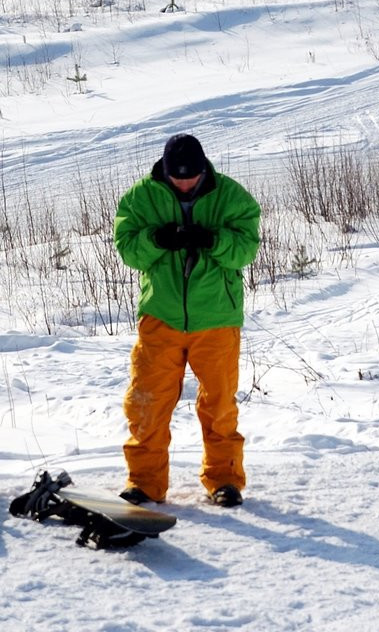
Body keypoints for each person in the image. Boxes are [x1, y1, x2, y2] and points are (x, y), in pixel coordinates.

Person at [114, 133, 261, 508]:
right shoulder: (140, 197)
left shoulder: (232, 197)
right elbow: (129, 250)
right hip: (160, 317)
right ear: (164, 170)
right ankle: (144, 484)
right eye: (176, 177)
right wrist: (157, 238)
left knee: (220, 405)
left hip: (216, 318)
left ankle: (225, 480)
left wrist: (212, 240)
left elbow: (245, 250)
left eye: (190, 178)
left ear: (203, 169)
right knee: (147, 404)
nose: (183, 183)